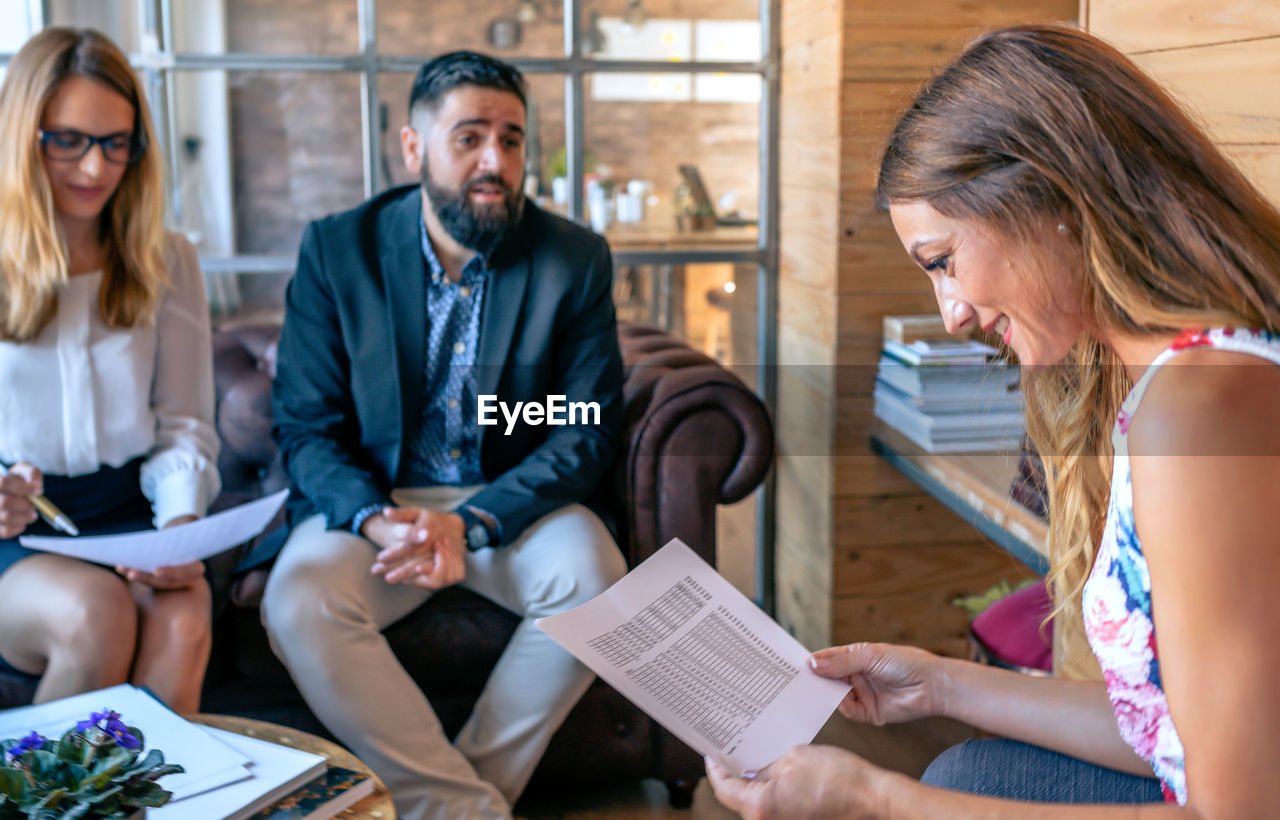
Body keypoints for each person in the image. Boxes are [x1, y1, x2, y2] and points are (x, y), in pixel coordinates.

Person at [707, 24, 1280, 819]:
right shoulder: (1167, 385)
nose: (952, 315)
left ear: (1048, 197)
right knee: (949, 767)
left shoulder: (1204, 407)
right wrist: (939, 682)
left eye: (943, 261)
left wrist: (875, 801)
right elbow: (1170, 726)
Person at [262, 51, 628, 820]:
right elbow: (306, 425)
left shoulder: (573, 260)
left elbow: (584, 430)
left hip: (506, 503)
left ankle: (451, 802)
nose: (495, 161)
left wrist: (470, 521)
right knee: (298, 601)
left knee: (595, 579)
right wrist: (371, 515)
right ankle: (471, 809)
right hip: (380, 506)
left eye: (512, 139)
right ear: (413, 148)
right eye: (469, 138)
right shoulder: (338, 250)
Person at [0, 27, 221, 714]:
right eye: (67, 140)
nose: (95, 169)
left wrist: (180, 529)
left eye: (115, 143)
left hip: (133, 517)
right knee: (97, 612)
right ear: (21, 135)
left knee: (182, 623)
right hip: (16, 532)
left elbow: (184, 427)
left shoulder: (167, 258)